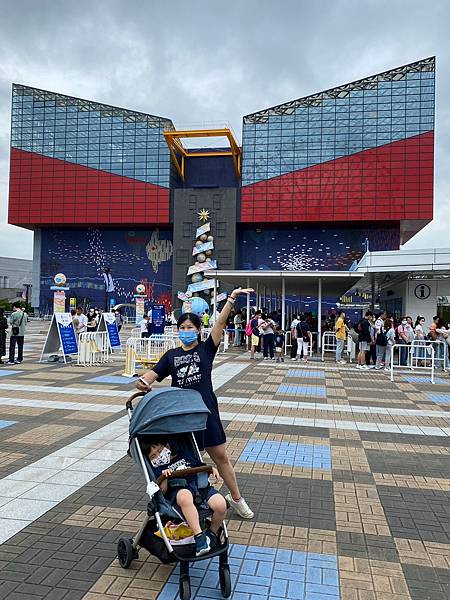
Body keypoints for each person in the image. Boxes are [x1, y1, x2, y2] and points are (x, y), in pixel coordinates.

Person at [136, 286, 254, 519]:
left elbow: (219, 324)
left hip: (206, 411)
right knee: (185, 459)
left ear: (199, 330)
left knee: (220, 456)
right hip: (181, 417)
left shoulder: (206, 349)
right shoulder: (170, 356)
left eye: (190, 328)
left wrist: (231, 298)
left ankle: (237, 498)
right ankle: (188, 500)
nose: (186, 331)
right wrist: (141, 383)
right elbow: (149, 377)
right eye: (182, 328)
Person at [141, 438, 227, 556]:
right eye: (153, 456)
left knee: (221, 504)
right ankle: (199, 537)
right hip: (178, 490)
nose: (159, 456)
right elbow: (162, 491)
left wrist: (211, 469)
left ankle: (211, 533)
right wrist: (164, 478)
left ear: (167, 445)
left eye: (160, 450)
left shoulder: (184, 453)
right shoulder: (158, 468)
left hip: (199, 488)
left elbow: (199, 466)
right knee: (185, 496)